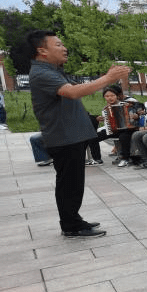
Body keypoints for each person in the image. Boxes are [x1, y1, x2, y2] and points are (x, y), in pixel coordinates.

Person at [27, 29, 129, 238]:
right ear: (42, 50)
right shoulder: (42, 73)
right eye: (58, 45)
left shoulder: (53, 70)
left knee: (73, 183)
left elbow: (78, 88)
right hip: (63, 137)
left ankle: (73, 219)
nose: (64, 48)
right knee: (68, 183)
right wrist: (108, 78)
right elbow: (73, 92)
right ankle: (71, 225)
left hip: (71, 135)